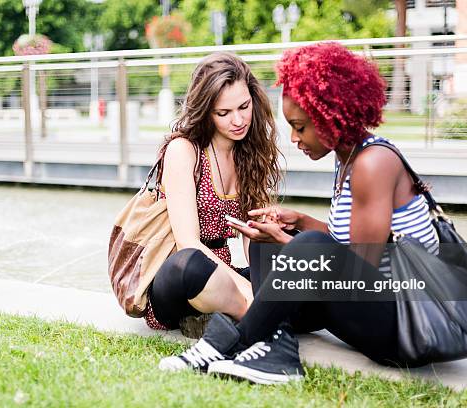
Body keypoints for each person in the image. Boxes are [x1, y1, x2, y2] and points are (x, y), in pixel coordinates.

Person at [158, 43, 440, 384]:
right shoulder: (350, 159)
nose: (292, 137)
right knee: (271, 243)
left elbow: (358, 265)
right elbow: (357, 251)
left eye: (300, 126)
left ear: (329, 117)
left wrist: (297, 244)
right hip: (372, 306)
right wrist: (300, 226)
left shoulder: (373, 163)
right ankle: (271, 348)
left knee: (302, 246)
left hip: (410, 328)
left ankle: (231, 343)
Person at [144, 52, 282, 337]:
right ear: (206, 111)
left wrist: (261, 277)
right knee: (192, 265)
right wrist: (247, 288)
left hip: (224, 277)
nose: (238, 120)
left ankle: (251, 309)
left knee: (288, 271)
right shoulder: (184, 150)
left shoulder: (249, 152)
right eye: (224, 113)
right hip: (179, 276)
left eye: (244, 107)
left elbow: (252, 234)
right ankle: (260, 318)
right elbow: (188, 243)